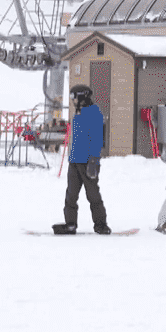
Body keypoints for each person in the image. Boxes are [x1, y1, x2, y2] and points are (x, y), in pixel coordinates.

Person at [55, 84, 110, 234]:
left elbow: (97, 139)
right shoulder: (78, 114)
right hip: (74, 161)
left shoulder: (94, 114)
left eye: (74, 97)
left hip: (88, 161)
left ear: (82, 97)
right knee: (71, 195)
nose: (72, 101)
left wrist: (94, 160)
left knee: (92, 194)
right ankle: (70, 223)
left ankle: (101, 224)